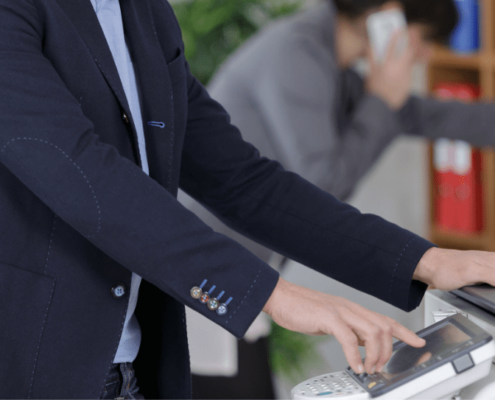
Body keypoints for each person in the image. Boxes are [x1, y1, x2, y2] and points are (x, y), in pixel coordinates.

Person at [1, 0, 495, 399]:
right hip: (36, 363)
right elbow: (84, 175)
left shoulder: (145, 14)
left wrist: (426, 259)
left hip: (136, 365)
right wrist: (271, 294)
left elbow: (242, 179)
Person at [180, 0, 495, 397]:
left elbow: (423, 115)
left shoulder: (330, 63)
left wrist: (383, 99)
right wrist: (381, 97)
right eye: (426, 38)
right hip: (204, 280)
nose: (426, 55)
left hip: (240, 278)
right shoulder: (297, 53)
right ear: (389, 16)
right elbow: (322, 185)